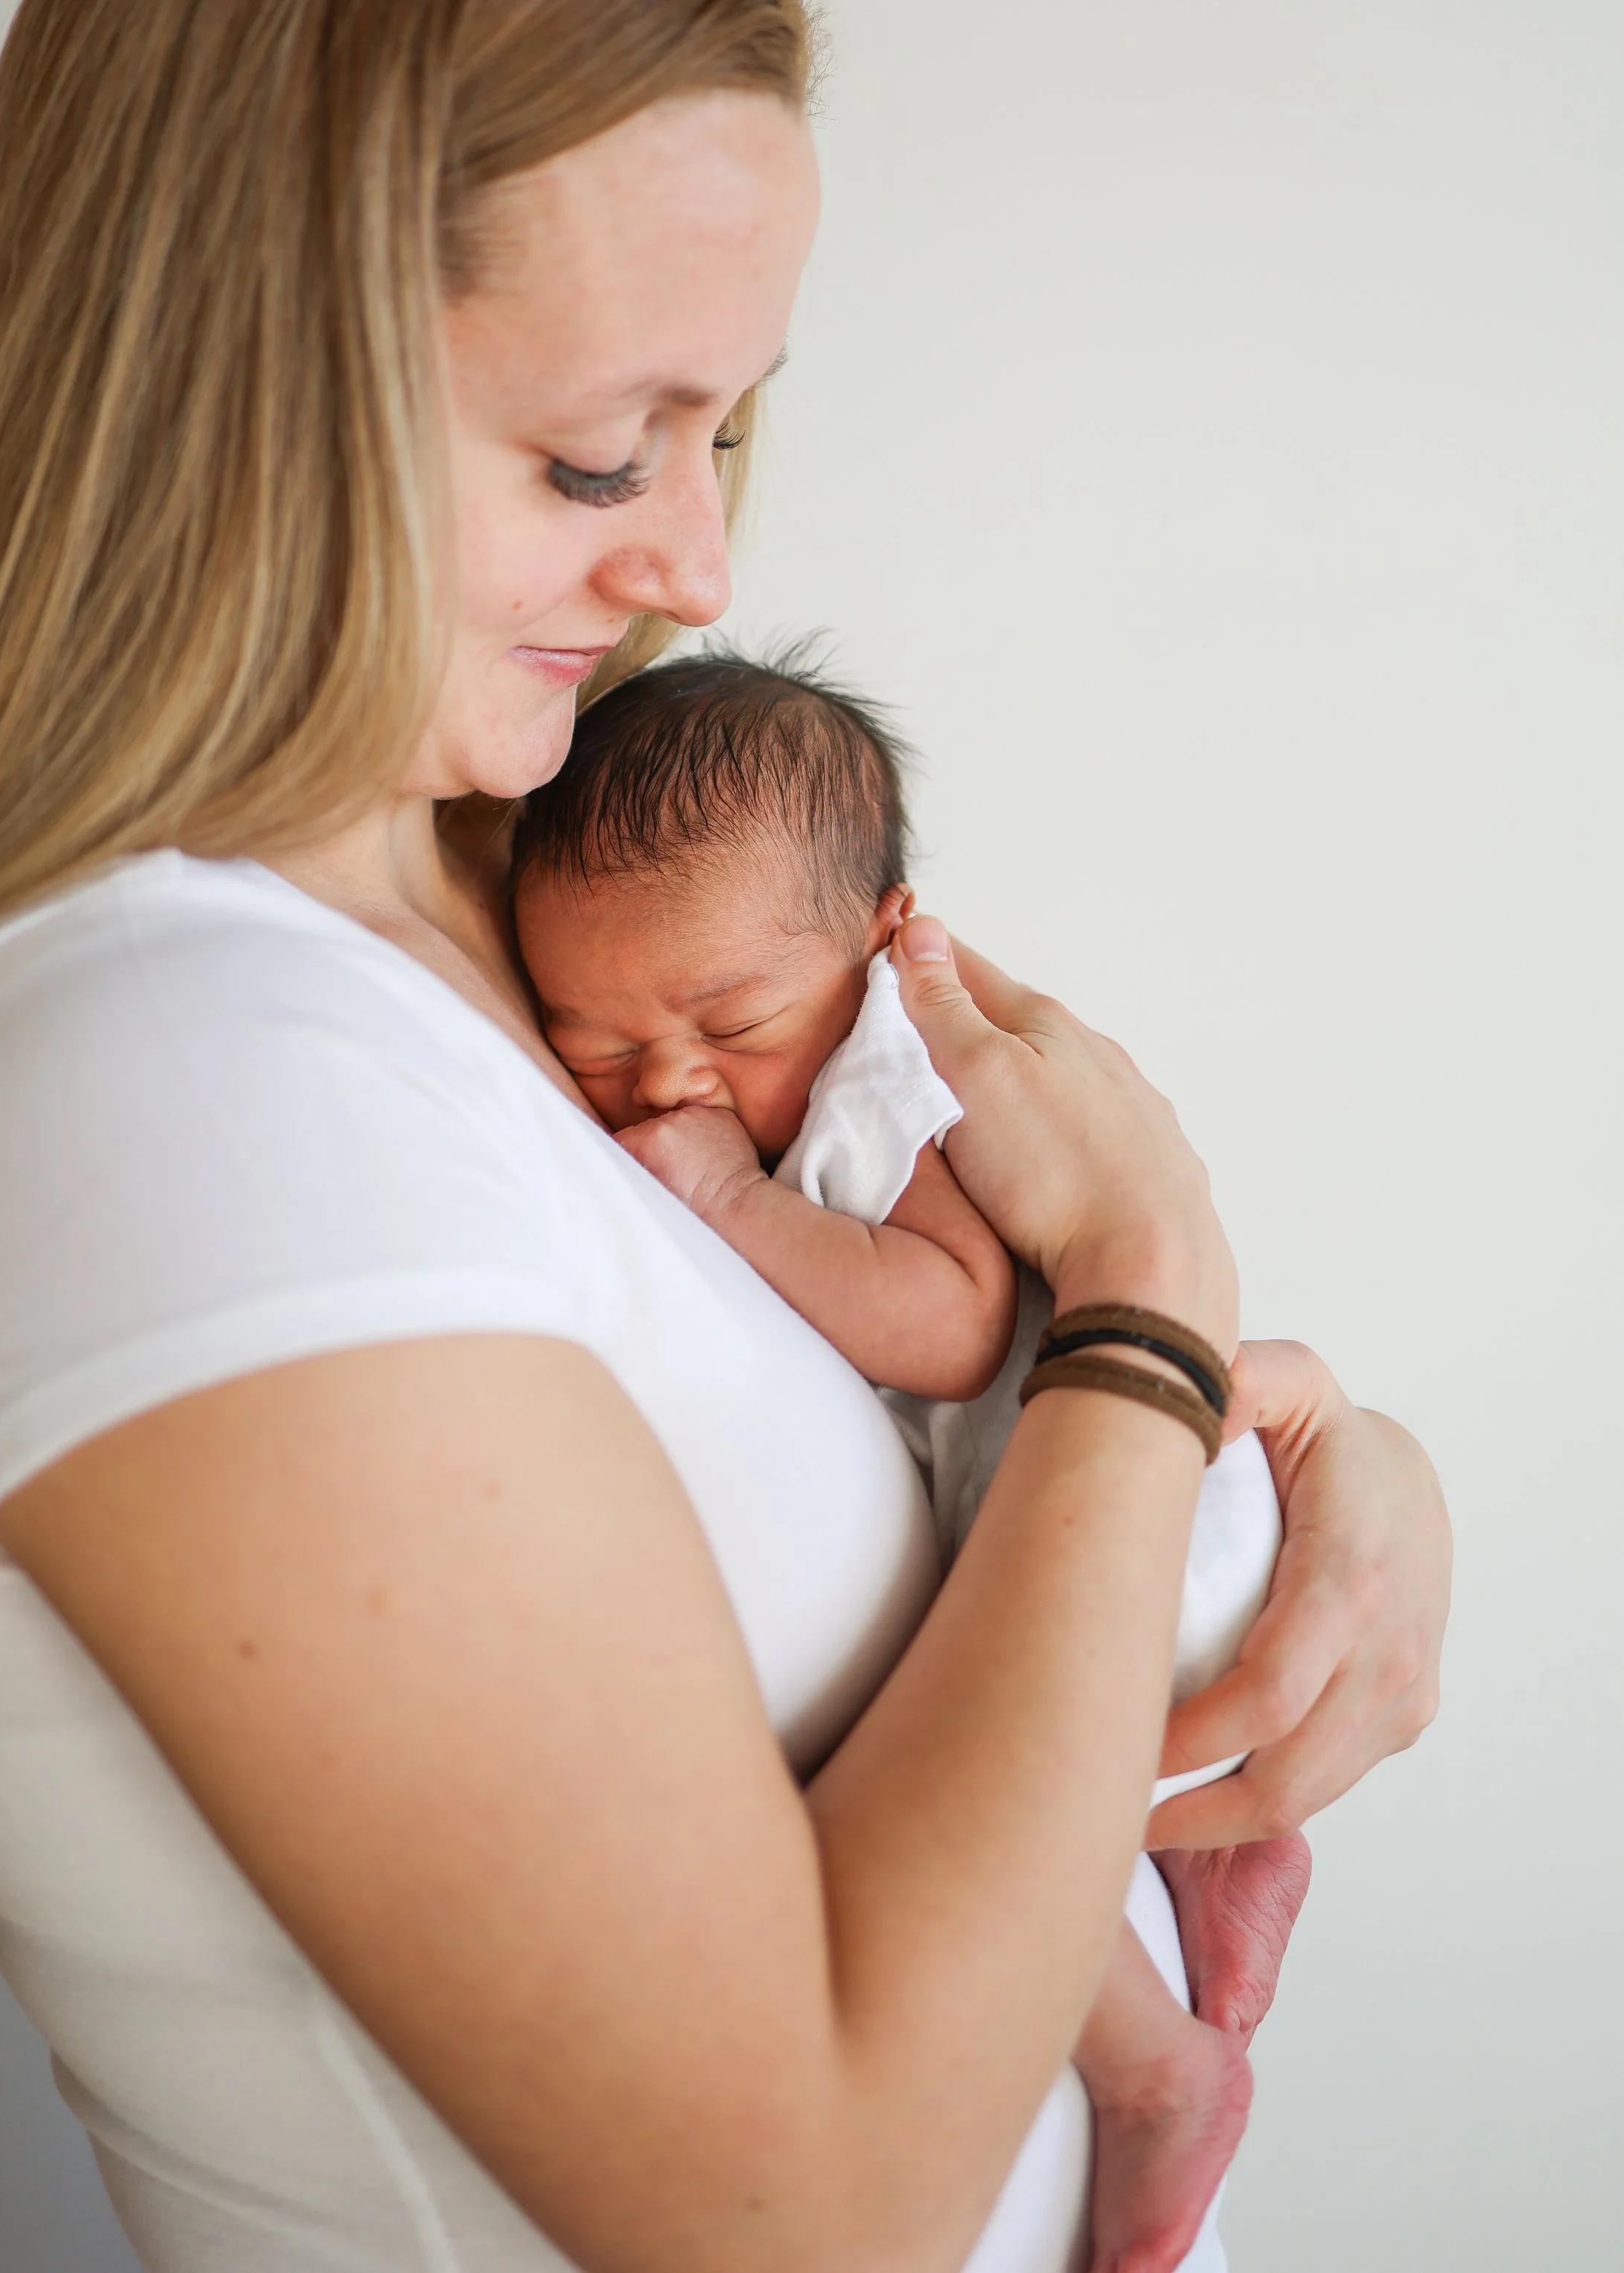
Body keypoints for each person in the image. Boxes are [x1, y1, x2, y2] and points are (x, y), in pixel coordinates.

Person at [0, 0, 1449, 2273]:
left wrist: (1329, 1475)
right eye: (596, 460)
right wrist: (1150, 1335)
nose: (693, 564)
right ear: (266, 386)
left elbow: (911, 1442)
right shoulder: (151, 1081)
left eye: (730, 433)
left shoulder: (526, 941)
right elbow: (803, 2211)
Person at [509, 648, 1292, 2272]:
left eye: (730, 1020)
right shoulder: (753, 1068)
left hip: (1129, 1520)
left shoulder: (895, 1088)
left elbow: (945, 1324)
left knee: (946, 1727)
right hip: (1118, 1517)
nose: (669, 1083)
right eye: (591, 1045)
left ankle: (1153, 2071)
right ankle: (1219, 1875)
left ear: (880, 944)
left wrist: (731, 1203)